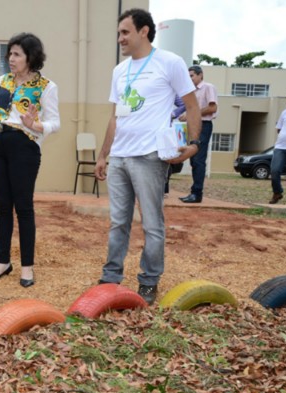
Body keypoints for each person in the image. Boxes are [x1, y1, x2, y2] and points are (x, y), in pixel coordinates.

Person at [94, 8, 201, 305]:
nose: (120, 39)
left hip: (150, 156)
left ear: (144, 31)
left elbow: (192, 106)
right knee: (118, 222)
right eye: (118, 33)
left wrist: (194, 144)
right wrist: (104, 155)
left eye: (125, 32)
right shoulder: (120, 70)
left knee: (152, 223)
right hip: (120, 157)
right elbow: (115, 117)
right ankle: (111, 277)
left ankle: (149, 281)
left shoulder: (170, 62)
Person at [0, 33, 60, 288]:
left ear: (30, 57)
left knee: (23, 207)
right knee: (2, 206)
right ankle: (3, 262)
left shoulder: (46, 86)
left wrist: (34, 124)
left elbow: (54, 123)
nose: (10, 59)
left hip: (24, 146)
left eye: (16, 54)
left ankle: (27, 267)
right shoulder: (3, 80)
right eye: (9, 54)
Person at [178, 65, 218, 203]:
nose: (189, 78)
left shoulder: (208, 87)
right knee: (193, 160)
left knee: (199, 160)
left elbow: (213, 107)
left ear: (200, 75)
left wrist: (192, 113)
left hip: (203, 125)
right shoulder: (190, 91)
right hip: (191, 126)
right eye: (187, 76)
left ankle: (197, 193)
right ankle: (194, 192)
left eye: (192, 75)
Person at [269, 92, 286, 204]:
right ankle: (277, 193)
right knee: (275, 170)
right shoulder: (285, 113)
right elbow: (279, 128)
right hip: (281, 147)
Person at [165, 95, 186, 196]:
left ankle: (164, 189)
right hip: (146, 130)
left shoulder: (170, 91)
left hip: (165, 130)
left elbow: (184, 104)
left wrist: (173, 114)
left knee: (165, 159)